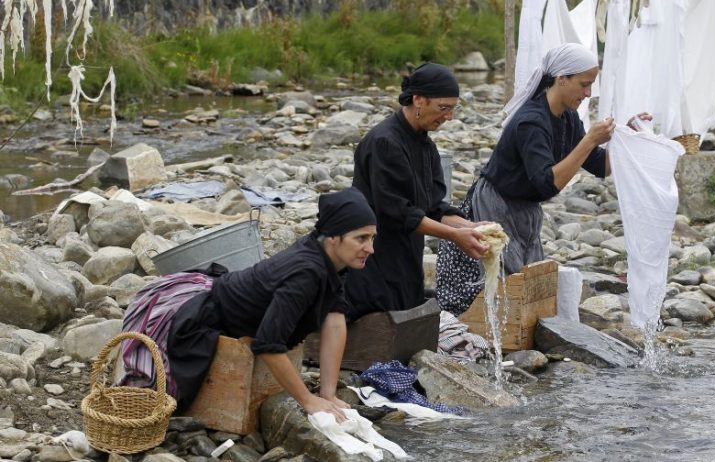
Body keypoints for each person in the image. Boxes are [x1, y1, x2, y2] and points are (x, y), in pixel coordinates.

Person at [118, 188, 377, 422]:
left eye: (372, 238)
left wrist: (328, 394)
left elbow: (334, 320)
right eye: (361, 238)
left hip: (228, 298)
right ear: (333, 237)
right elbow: (267, 344)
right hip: (195, 310)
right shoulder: (306, 273)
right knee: (162, 396)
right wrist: (308, 401)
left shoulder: (332, 260)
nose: (370, 248)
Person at [436, 43, 650, 314]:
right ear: (562, 79)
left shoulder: (567, 118)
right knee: (501, 279)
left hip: (526, 207)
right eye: (584, 85)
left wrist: (631, 137)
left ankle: (517, 334)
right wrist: (588, 141)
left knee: (528, 278)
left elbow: (600, 166)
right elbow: (547, 183)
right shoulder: (532, 121)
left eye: (591, 85)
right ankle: (491, 333)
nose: (588, 93)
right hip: (496, 204)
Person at [344, 63, 489, 321]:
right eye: (443, 108)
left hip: (407, 251)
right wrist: (456, 236)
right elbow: (399, 212)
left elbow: (434, 207)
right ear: (418, 100)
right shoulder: (385, 142)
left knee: (408, 311)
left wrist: (472, 227)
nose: (449, 116)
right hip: (374, 253)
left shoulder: (425, 145)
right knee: (381, 319)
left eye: (453, 109)